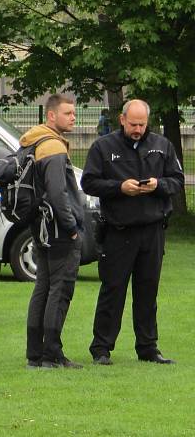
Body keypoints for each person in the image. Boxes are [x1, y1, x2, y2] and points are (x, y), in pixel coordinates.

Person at [81, 99, 184, 366]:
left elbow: (177, 180)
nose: (138, 129)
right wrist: (119, 188)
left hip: (152, 230)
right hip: (118, 231)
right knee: (113, 290)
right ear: (122, 120)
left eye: (142, 124)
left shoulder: (163, 146)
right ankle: (101, 349)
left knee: (148, 291)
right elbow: (89, 182)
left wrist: (158, 185)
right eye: (133, 124)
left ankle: (148, 347)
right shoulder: (104, 147)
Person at [21, 94, 85, 369]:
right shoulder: (54, 148)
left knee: (43, 288)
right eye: (68, 113)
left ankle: (34, 354)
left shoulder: (31, 142)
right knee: (60, 290)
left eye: (74, 113)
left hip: (40, 226)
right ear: (51, 116)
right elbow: (59, 195)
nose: (73, 117)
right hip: (58, 229)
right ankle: (52, 354)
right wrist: (72, 228)